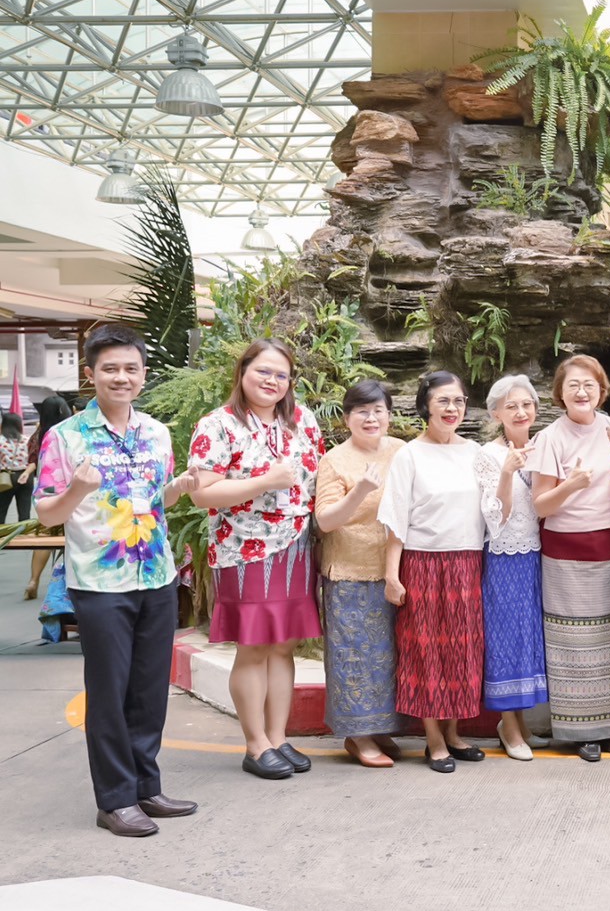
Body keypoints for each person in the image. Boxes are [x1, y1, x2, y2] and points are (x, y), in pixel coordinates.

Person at [33, 325, 200, 836]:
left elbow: (152, 501)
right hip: (99, 583)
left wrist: (178, 488)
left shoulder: (156, 433)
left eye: (131, 368)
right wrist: (76, 490)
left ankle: (146, 787)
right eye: (110, 368)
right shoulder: (65, 437)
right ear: (91, 374)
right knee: (109, 691)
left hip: (156, 575)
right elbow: (46, 514)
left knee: (149, 690)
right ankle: (115, 800)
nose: (121, 377)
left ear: (143, 374)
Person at [188, 338, 325, 781]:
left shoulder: (303, 420)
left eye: (281, 375)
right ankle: (255, 744)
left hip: (296, 547)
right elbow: (202, 493)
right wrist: (265, 481)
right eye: (263, 371)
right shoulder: (218, 425)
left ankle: (278, 737)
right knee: (254, 647)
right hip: (244, 549)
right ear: (243, 371)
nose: (272, 381)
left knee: (284, 644)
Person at [529, 354, 610, 762]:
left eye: (589, 384)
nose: (581, 392)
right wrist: (571, 485)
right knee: (573, 641)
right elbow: (540, 505)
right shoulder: (550, 438)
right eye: (573, 384)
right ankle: (581, 731)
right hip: (566, 552)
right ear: (560, 393)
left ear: (601, 390)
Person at [379, 371, 487, 773]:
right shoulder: (410, 455)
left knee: (463, 648)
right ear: (426, 405)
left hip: (467, 562)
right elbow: (396, 519)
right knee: (426, 649)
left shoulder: (475, 452)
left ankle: (454, 733)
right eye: (443, 400)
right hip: (423, 563)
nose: (452, 408)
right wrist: (393, 575)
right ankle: (433, 740)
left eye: (458, 401)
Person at [314, 379, 405, 769]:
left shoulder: (401, 451)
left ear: (388, 415)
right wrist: (361, 490)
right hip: (349, 571)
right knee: (354, 655)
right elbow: (325, 521)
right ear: (347, 417)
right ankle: (358, 735)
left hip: (396, 568)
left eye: (378, 410)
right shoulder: (335, 460)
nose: (371, 418)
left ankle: (380, 727)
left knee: (388, 655)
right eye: (361, 411)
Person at [475, 374, 550, 760]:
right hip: (503, 557)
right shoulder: (487, 455)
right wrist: (506, 471)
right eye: (511, 407)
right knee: (505, 637)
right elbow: (495, 517)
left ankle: (519, 723)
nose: (521, 412)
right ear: (496, 414)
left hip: (535, 555)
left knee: (527, 636)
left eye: (527, 405)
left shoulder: (544, 449)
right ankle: (508, 724)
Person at [24, 394, 74, 599]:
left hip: (47, 492)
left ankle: (33, 579)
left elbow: (32, 458)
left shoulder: (38, 435)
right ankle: (68, 584)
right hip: (71, 491)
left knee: (45, 536)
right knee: (72, 537)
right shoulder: (70, 433)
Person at [0, 411, 33, 523]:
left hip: (5, 477)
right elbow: (33, 461)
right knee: (24, 512)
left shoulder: (1, 441)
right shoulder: (28, 440)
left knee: (1, 510)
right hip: (26, 476)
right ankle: (24, 533)